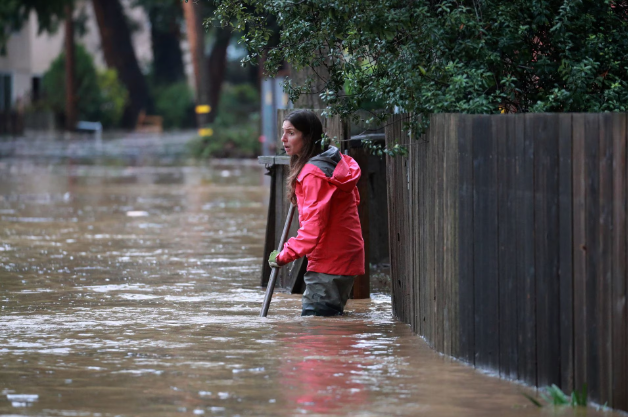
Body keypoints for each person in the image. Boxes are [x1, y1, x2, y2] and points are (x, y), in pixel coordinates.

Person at [268, 110, 365, 316]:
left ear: (308, 136)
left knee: (317, 331)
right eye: (283, 132)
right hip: (346, 256)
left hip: (328, 262)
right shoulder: (332, 163)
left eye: (291, 133)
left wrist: (284, 255)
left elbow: (313, 229)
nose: (284, 139)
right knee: (330, 326)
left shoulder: (313, 173)